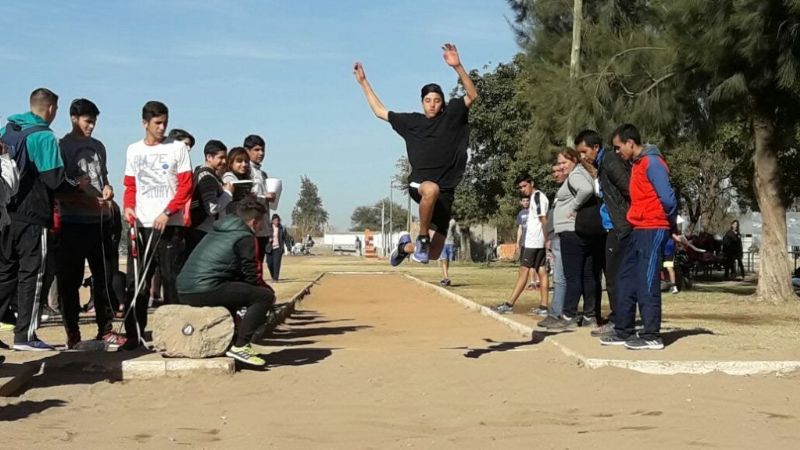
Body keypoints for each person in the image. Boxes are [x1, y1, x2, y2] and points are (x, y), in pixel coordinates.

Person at [354, 43, 478, 265]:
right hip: (420, 185)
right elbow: (380, 111)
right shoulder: (412, 122)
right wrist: (364, 83)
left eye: (437, 101)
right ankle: (421, 236)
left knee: (431, 255)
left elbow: (472, 94)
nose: (432, 105)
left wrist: (457, 66)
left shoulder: (452, 116)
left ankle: (406, 247)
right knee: (431, 189)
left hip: (446, 193)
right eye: (428, 101)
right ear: (422, 103)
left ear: (442, 103)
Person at [55, 98, 126, 349]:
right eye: (87, 121)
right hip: (73, 222)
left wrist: (107, 189)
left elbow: (103, 178)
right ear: (74, 119)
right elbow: (57, 187)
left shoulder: (99, 147)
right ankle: (72, 331)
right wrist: (79, 193)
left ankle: (105, 329)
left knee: (104, 278)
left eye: (94, 121)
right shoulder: (62, 147)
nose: (92, 126)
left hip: (100, 221)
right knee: (70, 281)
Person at [122, 101, 193, 350]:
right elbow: (130, 185)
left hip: (169, 225)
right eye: (157, 123)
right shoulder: (133, 150)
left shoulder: (177, 149)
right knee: (138, 281)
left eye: (165, 122)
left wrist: (168, 211)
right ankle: (134, 334)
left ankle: (177, 335)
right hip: (141, 225)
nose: (162, 128)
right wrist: (128, 207)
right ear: (145, 123)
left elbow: (186, 185)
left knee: (171, 281)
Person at [600, 124, 677, 350]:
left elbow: (669, 200)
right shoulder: (637, 164)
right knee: (625, 278)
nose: (616, 152)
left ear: (630, 143)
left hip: (653, 228)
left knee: (646, 280)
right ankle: (624, 330)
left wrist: (669, 226)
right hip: (637, 228)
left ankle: (651, 335)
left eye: (618, 147)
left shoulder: (653, 163)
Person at [0, 88, 65, 351]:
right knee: (33, 273)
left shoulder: (8, 130)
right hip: (33, 213)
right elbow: (54, 179)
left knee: (5, 272)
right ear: (50, 109)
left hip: (5, 211)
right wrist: (79, 184)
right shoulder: (44, 136)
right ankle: (25, 335)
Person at [177, 197, 275, 366]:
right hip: (204, 289)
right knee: (263, 296)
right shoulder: (245, 237)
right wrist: (268, 296)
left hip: (184, 289)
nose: (264, 226)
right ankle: (241, 346)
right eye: (263, 222)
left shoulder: (218, 230)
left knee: (235, 291)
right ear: (254, 221)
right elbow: (251, 277)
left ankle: (231, 340)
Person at [574, 129, 632, 337]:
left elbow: (628, 188)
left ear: (596, 148)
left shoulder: (609, 160)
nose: (582, 157)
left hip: (620, 226)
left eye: (584, 152)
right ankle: (621, 319)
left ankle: (619, 322)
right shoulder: (602, 165)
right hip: (612, 226)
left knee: (614, 277)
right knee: (614, 275)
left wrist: (626, 218)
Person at [546, 147, 602, 330]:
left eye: (564, 162)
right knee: (588, 275)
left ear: (574, 160)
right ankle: (589, 315)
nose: (561, 167)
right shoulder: (583, 173)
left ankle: (568, 314)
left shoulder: (576, 175)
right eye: (559, 163)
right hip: (582, 232)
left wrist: (574, 207)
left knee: (573, 275)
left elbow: (585, 190)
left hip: (572, 232)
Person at [494, 173, 550, 315]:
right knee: (541, 271)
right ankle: (543, 307)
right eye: (520, 187)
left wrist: (547, 239)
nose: (522, 189)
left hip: (534, 242)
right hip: (536, 241)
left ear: (531, 183)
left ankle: (509, 304)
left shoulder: (538, 197)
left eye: (524, 186)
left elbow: (543, 219)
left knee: (523, 271)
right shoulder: (534, 198)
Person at [187, 140, 232, 256]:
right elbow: (212, 208)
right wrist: (228, 193)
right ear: (209, 157)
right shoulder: (207, 177)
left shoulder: (200, 173)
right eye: (220, 158)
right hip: (203, 231)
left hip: (199, 230)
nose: (224, 161)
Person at [537, 163, 569, 328]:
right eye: (554, 171)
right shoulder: (560, 191)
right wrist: (548, 236)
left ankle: (558, 313)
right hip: (555, 237)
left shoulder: (571, 186)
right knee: (558, 276)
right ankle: (560, 312)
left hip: (563, 237)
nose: (556, 174)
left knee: (560, 277)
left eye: (560, 170)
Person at [243, 135, 276, 266]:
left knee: (259, 265)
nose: (261, 153)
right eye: (256, 150)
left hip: (262, 226)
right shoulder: (245, 171)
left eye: (262, 150)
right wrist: (263, 197)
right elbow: (245, 197)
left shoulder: (262, 174)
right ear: (247, 150)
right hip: (250, 227)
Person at [516, 197, 539, 290]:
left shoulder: (534, 211)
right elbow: (520, 228)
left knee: (535, 263)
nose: (525, 202)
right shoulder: (521, 214)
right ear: (521, 202)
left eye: (527, 200)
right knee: (526, 264)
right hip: (525, 242)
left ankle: (536, 282)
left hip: (534, 240)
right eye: (523, 201)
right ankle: (533, 282)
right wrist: (517, 242)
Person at [265, 214, 288, 283]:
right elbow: (263, 237)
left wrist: (289, 247)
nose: (276, 222)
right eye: (275, 220)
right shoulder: (267, 228)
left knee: (276, 264)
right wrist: (268, 239)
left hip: (278, 248)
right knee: (269, 263)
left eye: (278, 220)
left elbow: (286, 238)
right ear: (272, 221)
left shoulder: (282, 228)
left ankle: (275, 278)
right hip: (269, 248)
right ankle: (273, 276)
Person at [439, 218, 458, 286]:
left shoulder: (443, 221)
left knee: (444, 260)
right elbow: (454, 233)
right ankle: (445, 277)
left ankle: (445, 278)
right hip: (449, 243)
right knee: (445, 260)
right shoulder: (453, 221)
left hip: (445, 243)